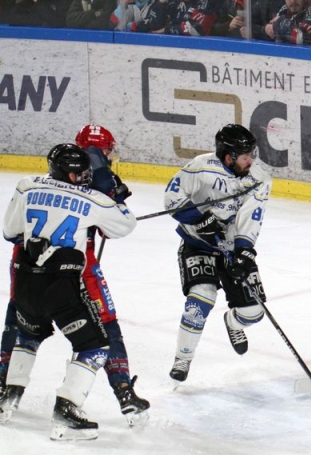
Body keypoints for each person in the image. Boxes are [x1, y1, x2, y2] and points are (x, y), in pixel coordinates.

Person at [0, 144, 137, 440]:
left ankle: (6, 397)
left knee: (27, 335)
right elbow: (125, 226)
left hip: (24, 282)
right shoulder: (93, 198)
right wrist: (115, 196)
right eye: (79, 172)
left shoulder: (26, 186)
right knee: (95, 345)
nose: (83, 176)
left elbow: (10, 232)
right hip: (62, 287)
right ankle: (67, 410)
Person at [165, 124, 272, 382]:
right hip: (197, 243)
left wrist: (244, 253)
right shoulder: (199, 167)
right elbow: (171, 199)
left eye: (252, 154)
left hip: (231, 248)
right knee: (200, 298)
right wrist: (200, 219)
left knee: (253, 313)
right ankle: (183, 357)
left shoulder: (259, 179)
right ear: (228, 156)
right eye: (245, 155)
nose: (251, 160)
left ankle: (233, 323)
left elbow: (251, 218)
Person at [73, 124, 151, 425]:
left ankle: (5, 384)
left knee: (25, 323)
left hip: (33, 267)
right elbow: (113, 226)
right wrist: (114, 198)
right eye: (104, 150)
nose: (106, 156)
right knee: (106, 327)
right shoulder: (98, 173)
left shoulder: (53, 176)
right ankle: (121, 390)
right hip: (81, 267)